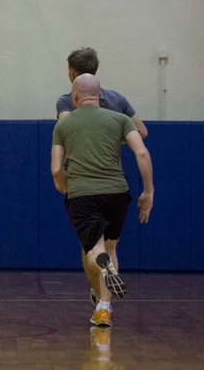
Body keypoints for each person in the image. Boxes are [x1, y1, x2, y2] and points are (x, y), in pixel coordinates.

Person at [51, 74, 154, 329]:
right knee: (110, 247)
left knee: (94, 250)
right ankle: (104, 309)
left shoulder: (63, 125)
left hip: (83, 193)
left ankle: (103, 264)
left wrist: (64, 184)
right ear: (100, 96)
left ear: (75, 96)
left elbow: (56, 169)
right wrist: (148, 192)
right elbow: (141, 151)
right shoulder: (119, 119)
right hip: (117, 193)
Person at [57, 47, 148, 138]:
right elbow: (142, 132)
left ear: (72, 73)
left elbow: (67, 130)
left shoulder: (65, 102)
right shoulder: (118, 99)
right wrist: (113, 141)